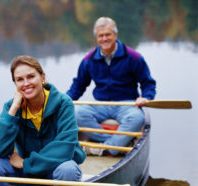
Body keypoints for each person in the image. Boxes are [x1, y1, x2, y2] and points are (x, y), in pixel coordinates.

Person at [0, 55, 86, 186]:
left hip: (54, 168)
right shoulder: (11, 106)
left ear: (42, 77)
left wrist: (26, 163)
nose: (26, 83)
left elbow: (65, 149)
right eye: (20, 79)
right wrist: (13, 111)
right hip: (24, 170)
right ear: (15, 84)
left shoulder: (63, 103)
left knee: (68, 169)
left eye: (31, 77)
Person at [66, 17, 156, 156]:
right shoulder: (89, 60)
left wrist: (146, 97)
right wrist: (64, 101)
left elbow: (148, 83)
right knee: (76, 114)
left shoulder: (133, 57)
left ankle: (106, 148)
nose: (104, 39)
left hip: (127, 104)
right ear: (96, 38)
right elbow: (78, 85)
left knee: (137, 118)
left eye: (108, 35)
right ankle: (113, 145)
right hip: (101, 104)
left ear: (115, 35)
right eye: (100, 35)